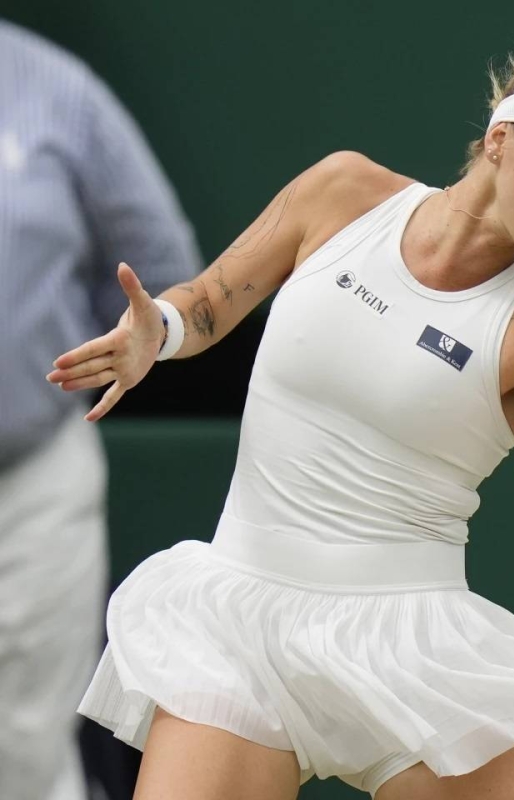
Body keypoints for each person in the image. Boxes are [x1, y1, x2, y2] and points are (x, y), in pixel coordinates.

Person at [49, 10, 514, 799]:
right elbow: (213, 302)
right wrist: (165, 328)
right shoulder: (343, 192)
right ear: (499, 140)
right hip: (240, 621)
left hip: (409, 647)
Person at [0, 18, 205, 800]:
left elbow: (159, 271)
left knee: (23, 745)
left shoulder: (56, 91)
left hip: (30, 476)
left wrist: (61, 366)